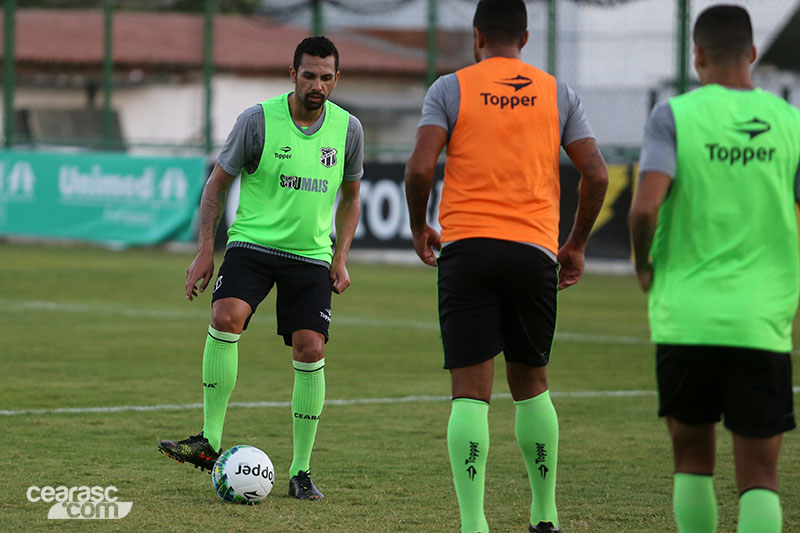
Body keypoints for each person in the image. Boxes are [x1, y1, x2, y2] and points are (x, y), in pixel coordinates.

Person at [404, 1, 608, 531]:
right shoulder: (557, 92)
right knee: (532, 384)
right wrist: (576, 244)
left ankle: (475, 524)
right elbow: (597, 175)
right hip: (534, 251)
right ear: (526, 36)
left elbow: (420, 166)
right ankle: (546, 516)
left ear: (477, 36)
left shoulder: (451, 88)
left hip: (467, 249)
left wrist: (419, 224)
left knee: (471, 393)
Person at [158, 36, 363, 501]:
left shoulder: (349, 130)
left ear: (336, 79)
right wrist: (206, 250)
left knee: (310, 350)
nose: (317, 85)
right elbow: (216, 186)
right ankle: (208, 442)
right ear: (292, 75)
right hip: (252, 245)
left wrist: (341, 255)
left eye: (326, 77)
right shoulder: (257, 121)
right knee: (224, 316)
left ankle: (301, 472)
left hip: (311, 256)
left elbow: (352, 197)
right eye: (308, 75)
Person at [629, 5, 800, 532]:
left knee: (693, 466)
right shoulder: (791, 122)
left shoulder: (673, 116)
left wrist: (644, 265)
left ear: (697, 55)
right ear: (752, 55)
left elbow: (643, 207)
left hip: (688, 314)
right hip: (762, 320)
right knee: (759, 477)